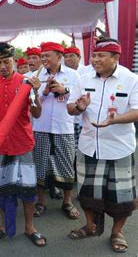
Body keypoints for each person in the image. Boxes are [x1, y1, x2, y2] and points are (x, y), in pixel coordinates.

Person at [67, 37, 138, 253]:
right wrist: (79, 107)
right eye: (94, 55)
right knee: (88, 194)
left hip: (119, 147)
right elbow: (71, 107)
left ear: (115, 57)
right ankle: (90, 226)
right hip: (89, 146)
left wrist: (114, 120)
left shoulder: (131, 79)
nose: (96, 60)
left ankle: (117, 232)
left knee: (121, 196)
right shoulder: (84, 78)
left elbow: (136, 110)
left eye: (101, 56)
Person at [0, 43, 46, 247]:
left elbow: (37, 113)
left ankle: (29, 226)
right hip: (0, 144)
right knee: (2, 189)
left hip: (22, 143)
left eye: (7, 62)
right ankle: (3, 225)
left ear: (14, 62)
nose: (3, 66)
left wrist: (35, 93)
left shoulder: (26, 82)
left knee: (27, 190)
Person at [32, 42, 81, 219]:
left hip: (64, 127)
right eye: (42, 56)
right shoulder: (35, 75)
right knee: (40, 165)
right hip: (41, 127)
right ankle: (41, 202)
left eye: (48, 55)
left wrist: (64, 90)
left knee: (66, 164)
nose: (44, 59)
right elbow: (30, 101)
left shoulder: (73, 75)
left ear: (59, 57)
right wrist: (43, 92)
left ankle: (67, 202)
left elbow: (79, 98)